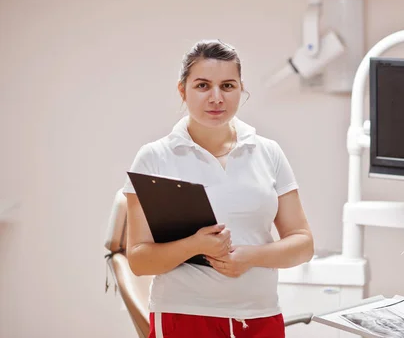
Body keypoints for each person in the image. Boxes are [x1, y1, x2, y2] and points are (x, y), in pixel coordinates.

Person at [122, 40, 314, 338]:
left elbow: (303, 244)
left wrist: (249, 256)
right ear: (182, 90)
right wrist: (195, 245)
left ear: (241, 89)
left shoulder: (268, 152)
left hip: (260, 317)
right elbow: (138, 260)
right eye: (202, 85)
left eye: (227, 86)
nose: (216, 98)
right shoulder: (154, 157)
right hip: (184, 317)